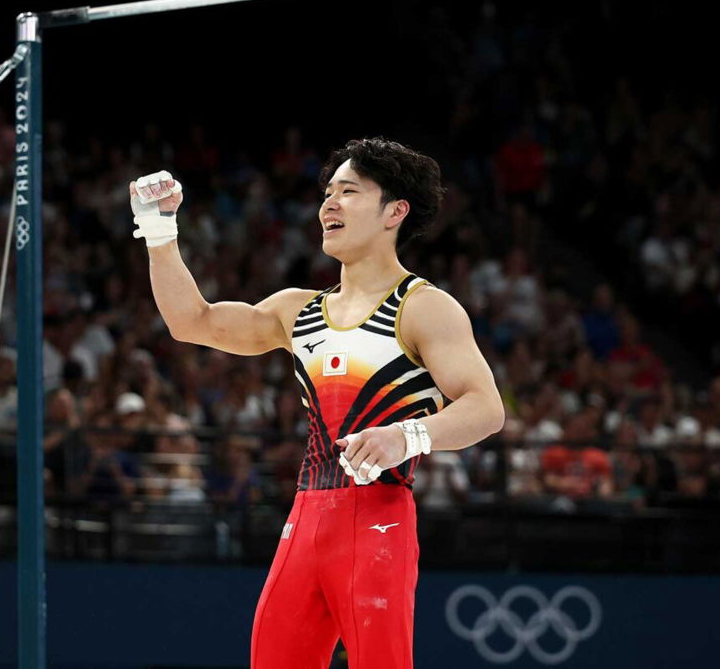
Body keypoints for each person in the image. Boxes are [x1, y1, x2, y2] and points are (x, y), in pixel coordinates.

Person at [129, 137, 504, 669]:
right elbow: (192, 322)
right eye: (327, 192)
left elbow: (487, 408)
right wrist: (159, 230)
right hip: (305, 518)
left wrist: (408, 435)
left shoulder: (424, 309)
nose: (329, 203)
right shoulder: (296, 311)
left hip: (378, 518)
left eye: (349, 192)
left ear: (395, 211)